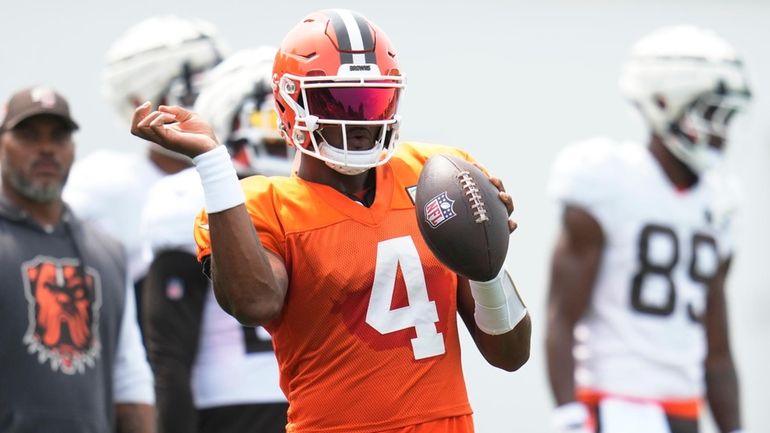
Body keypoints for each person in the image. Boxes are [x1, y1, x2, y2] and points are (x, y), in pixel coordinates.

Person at [129, 9, 531, 433]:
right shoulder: (263, 204)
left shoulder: (437, 174)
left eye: (372, 101)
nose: (357, 121)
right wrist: (213, 165)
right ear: (289, 103)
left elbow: (510, 355)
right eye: (336, 100)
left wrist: (487, 265)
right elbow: (254, 304)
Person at [545, 25, 751, 433]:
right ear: (663, 102)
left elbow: (717, 349)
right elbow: (561, 316)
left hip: (685, 410)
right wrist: (569, 414)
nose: (721, 132)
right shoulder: (608, 180)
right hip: (616, 405)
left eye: (726, 117)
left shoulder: (718, 201)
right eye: (711, 114)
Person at [140, 48, 291, 433]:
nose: (279, 132)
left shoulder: (308, 199)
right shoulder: (187, 202)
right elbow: (170, 357)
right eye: (265, 116)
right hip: (230, 411)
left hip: (307, 401)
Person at [0, 86, 155, 432]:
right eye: (28, 135)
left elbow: (129, 374)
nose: (46, 149)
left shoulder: (107, 251)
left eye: (59, 137)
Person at [64, 15, 227, 287]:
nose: (207, 109)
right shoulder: (104, 183)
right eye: (192, 96)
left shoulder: (238, 177)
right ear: (142, 103)